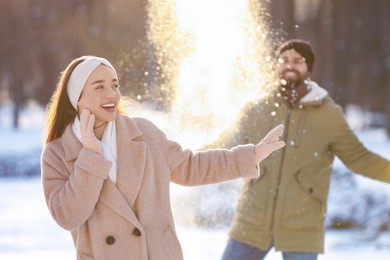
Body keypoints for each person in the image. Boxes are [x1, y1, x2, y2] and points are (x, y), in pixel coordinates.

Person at [40, 55, 285, 259]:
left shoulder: (144, 133)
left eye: (114, 85)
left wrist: (250, 155)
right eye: (99, 86)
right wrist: (90, 156)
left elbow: (192, 167)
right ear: (77, 97)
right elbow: (67, 216)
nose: (112, 94)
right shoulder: (57, 154)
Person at [202, 39, 390, 260]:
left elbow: (360, 159)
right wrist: (180, 160)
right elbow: (222, 146)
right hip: (251, 222)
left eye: (297, 61)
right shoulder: (256, 109)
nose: (289, 65)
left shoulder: (329, 115)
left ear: (308, 68)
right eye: (284, 60)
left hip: (303, 226)